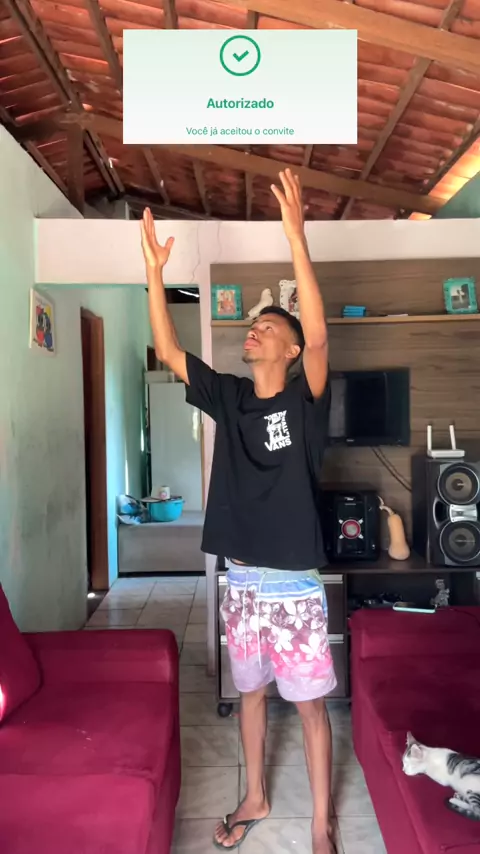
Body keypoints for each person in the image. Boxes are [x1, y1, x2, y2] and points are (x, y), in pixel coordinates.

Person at [140, 168, 337, 854]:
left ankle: (321, 823)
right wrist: (153, 276)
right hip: (243, 578)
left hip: (292, 582)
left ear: (288, 349)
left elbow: (319, 337)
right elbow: (169, 351)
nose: (254, 332)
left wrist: (296, 238)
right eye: (253, 326)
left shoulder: (306, 402)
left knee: (308, 707)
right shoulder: (228, 395)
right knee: (250, 694)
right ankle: (255, 795)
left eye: (267, 327)